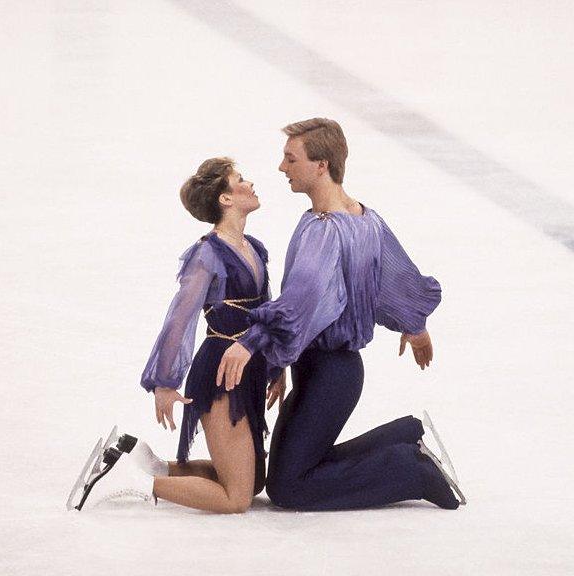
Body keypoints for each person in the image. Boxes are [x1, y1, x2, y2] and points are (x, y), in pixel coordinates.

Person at [217, 118, 464, 511]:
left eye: (291, 158)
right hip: (331, 371)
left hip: (328, 373)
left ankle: (411, 472)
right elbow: (396, 281)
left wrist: (251, 344)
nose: (282, 168)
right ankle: (404, 436)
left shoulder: (326, 231)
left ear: (322, 165)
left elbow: (302, 301)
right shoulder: (364, 218)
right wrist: (416, 330)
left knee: (288, 488)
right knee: (293, 471)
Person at [110, 157, 284, 514]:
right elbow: (180, 317)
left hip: (248, 369)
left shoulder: (255, 248)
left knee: (252, 483)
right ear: (226, 198)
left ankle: (148, 464)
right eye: (240, 179)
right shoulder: (207, 254)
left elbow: (266, 315)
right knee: (235, 499)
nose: (250, 184)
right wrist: (164, 382)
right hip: (221, 371)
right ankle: (132, 482)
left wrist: (278, 367)